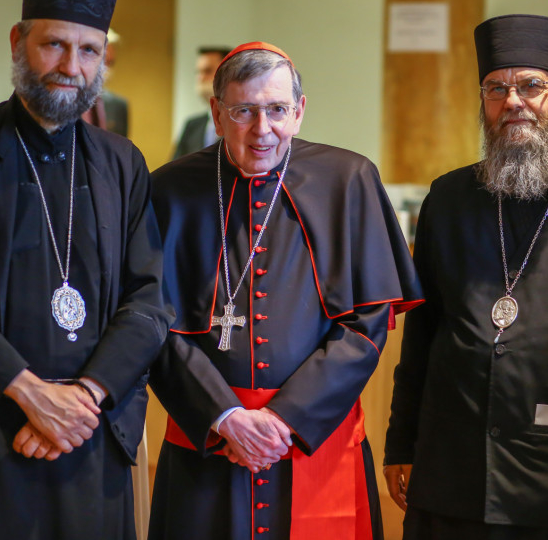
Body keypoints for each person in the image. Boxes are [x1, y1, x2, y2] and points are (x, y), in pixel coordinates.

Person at [148, 41, 423, 540]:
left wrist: (285, 418)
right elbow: (150, 322)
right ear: (217, 114)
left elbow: (367, 323)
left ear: (299, 111)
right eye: (243, 111)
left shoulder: (348, 179)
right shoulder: (168, 189)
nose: (262, 129)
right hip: (209, 439)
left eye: (277, 110)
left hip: (316, 435)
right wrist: (224, 416)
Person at [384, 14, 548, 540]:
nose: (512, 102)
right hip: (450, 471)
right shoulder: (448, 198)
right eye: (496, 89)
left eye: (531, 86)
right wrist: (401, 442)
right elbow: (423, 333)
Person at [0, 0, 172, 539]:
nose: (71, 66)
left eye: (89, 50)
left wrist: (83, 399)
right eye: (54, 44)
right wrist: (29, 393)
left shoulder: (123, 163)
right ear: (17, 40)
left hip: (90, 434)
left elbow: (149, 301)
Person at [171, 46, 230, 158]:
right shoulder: (192, 126)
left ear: (228, 75)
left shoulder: (244, 122)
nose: (200, 78)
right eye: (198, 72)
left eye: (208, 71)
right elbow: (174, 166)